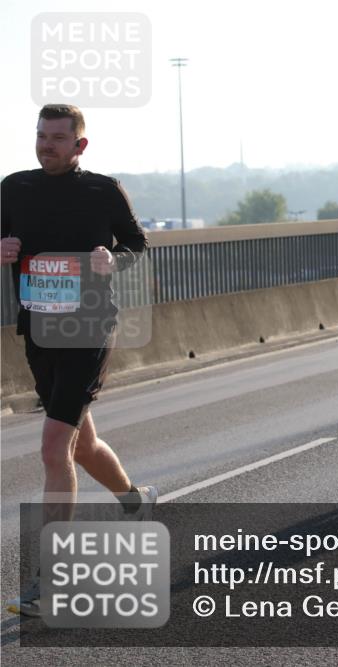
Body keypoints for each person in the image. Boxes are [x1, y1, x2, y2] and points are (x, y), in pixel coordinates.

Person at [1, 104, 157, 617]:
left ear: (80, 145)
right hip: (39, 330)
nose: (47, 145)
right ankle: (135, 500)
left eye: (58, 138)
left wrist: (115, 258)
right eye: (42, 136)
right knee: (81, 443)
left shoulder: (103, 190)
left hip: (90, 328)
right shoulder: (14, 188)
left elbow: (137, 244)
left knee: (52, 447)